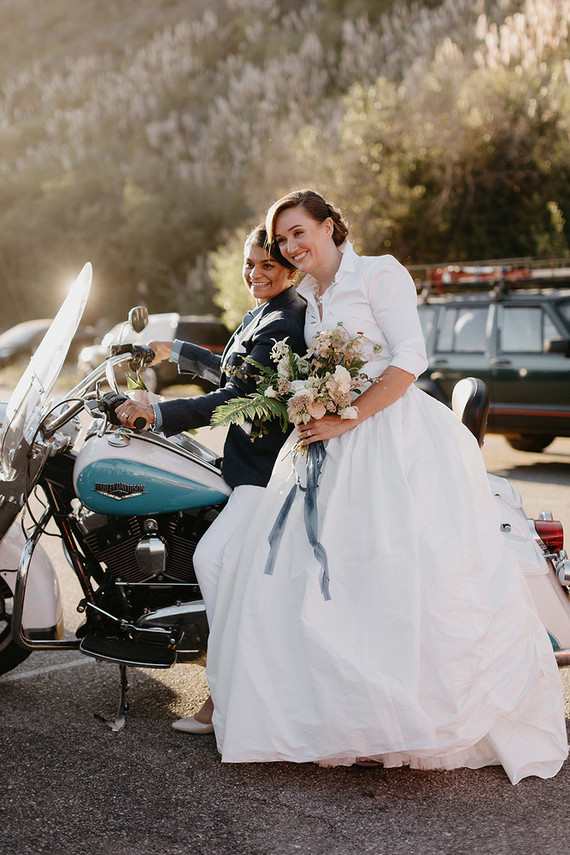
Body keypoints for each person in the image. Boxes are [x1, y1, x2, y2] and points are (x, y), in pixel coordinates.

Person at [205, 189, 568, 782]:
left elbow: (408, 361)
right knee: (338, 584)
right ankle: (351, 720)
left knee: (400, 576)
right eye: (283, 240)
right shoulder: (312, 296)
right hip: (332, 441)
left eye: (299, 233)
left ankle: (413, 718)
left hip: (391, 437)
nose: (292, 247)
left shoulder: (379, 274)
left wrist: (345, 415)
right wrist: (311, 409)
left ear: (328, 226)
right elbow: (325, 371)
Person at [116, 224, 306, 732]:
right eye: (250, 263)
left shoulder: (287, 321)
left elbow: (230, 400)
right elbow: (233, 370)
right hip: (245, 463)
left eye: (268, 265)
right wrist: (173, 350)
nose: (256, 273)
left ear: (291, 267)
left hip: (263, 472)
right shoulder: (265, 313)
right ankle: (226, 677)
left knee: (212, 559)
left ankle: (226, 692)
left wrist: (156, 414)